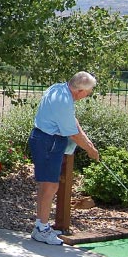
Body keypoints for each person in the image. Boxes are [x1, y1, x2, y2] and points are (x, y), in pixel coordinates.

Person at [28, 71, 99, 245]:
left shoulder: (59, 89)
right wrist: (90, 150)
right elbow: (73, 134)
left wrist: (88, 141)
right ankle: (41, 229)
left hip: (48, 140)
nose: (87, 95)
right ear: (80, 91)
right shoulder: (64, 101)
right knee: (50, 185)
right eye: (88, 92)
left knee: (48, 185)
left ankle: (41, 225)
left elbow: (72, 120)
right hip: (48, 141)